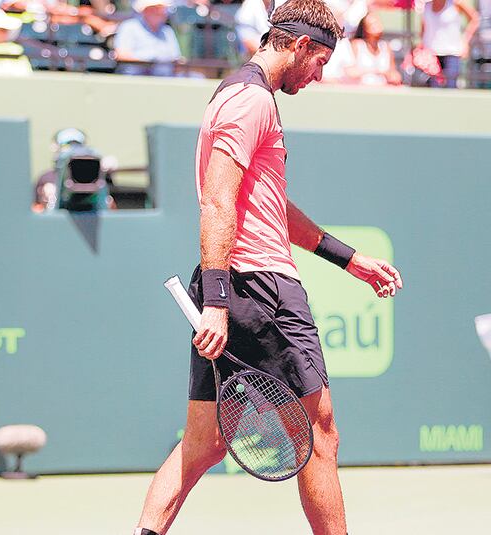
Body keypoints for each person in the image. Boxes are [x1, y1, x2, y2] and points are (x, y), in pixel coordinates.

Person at [134, 1, 403, 533]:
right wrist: (215, 302)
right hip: (260, 288)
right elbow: (217, 200)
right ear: (300, 45)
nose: (320, 74)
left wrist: (349, 260)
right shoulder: (251, 101)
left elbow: (270, 207)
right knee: (320, 433)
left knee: (205, 444)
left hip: (238, 284)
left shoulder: (241, 97)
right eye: (321, 61)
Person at [113, 0, 182, 76]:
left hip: (163, 79)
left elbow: (176, 59)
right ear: (145, 10)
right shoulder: (129, 26)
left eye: (163, 9)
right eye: (156, 8)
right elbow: (121, 55)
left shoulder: (167, 31)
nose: (162, 12)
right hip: (134, 78)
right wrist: (148, 63)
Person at [421, 0, 479, 88]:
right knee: (433, 88)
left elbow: (474, 19)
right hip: (431, 56)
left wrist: (465, 41)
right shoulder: (426, 6)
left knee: (450, 87)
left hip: (451, 53)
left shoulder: (456, 3)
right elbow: (423, 29)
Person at [345, 11, 402, 85]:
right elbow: (350, 72)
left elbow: (394, 74)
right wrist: (377, 71)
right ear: (365, 28)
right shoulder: (357, 45)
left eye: (378, 22)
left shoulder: (386, 47)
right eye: (373, 23)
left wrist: (392, 77)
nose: (377, 25)